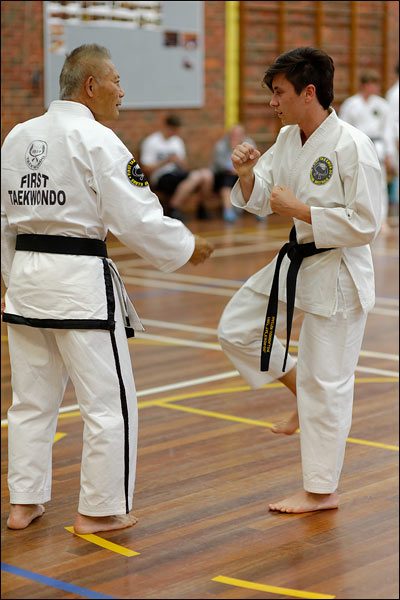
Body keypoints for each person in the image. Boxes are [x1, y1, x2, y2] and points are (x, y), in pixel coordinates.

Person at [1, 44, 213, 534]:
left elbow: (3, 218)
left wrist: (13, 278)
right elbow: (136, 215)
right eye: (116, 79)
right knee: (108, 401)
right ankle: (99, 510)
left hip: (29, 281)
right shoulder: (97, 139)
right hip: (78, 286)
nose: (123, 90)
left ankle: (23, 503)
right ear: (90, 86)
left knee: (31, 402)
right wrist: (185, 245)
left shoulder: (17, 137)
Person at [217, 47, 382, 514]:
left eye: (279, 92)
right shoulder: (290, 138)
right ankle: (296, 388)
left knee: (328, 383)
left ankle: (321, 491)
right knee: (235, 328)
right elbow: (262, 197)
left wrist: (303, 211)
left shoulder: (352, 145)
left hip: (339, 269)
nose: (273, 102)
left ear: (309, 92)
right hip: (296, 260)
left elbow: (367, 223)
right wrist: (248, 175)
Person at [339, 70, 393, 232]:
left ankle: (382, 219)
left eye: (376, 84)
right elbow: (343, 128)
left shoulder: (382, 105)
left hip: (377, 147)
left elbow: (388, 131)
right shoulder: (351, 104)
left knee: (380, 184)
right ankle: (358, 217)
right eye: (372, 84)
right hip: (356, 146)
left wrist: (389, 153)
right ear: (364, 85)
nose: (375, 88)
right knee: (357, 183)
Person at [140, 114, 214, 221]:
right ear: (166, 127)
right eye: (173, 129)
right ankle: (173, 207)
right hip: (161, 176)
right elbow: (146, 169)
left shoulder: (177, 141)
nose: (174, 132)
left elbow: (185, 167)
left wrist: (178, 161)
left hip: (177, 173)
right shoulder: (152, 141)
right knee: (195, 176)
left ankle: (201, 208)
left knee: (207, 175)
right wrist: (165, 161)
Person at [211, 124, 256, 222]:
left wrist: (241, 170)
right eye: (233, 134)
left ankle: (258, 209)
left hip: (242, 172)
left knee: (253, 179)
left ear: (243, 135)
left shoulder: (249, 143)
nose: (236, 137)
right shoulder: (221, 145)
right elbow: (219, 163)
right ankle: (228, 211)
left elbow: (254, 160)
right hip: (224, 174)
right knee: (226, 182)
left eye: (239, 134)